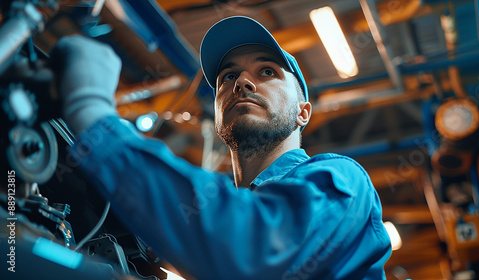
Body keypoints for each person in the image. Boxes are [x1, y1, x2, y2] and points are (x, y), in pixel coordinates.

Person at [51, 16, 392, 279]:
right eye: (227, 77)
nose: (242, 82)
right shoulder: (205, 213)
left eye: (268, 71)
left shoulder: (343, 181)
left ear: (303, 112)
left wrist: (92, 113)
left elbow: (253, 251)